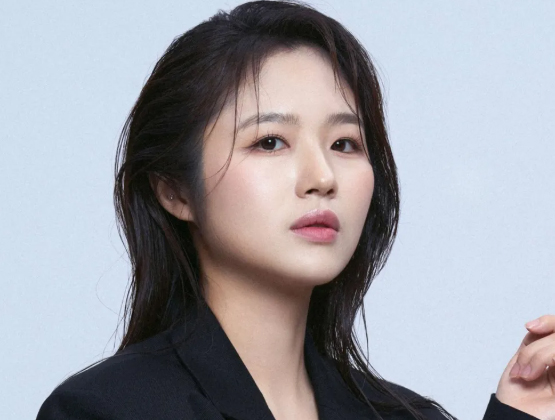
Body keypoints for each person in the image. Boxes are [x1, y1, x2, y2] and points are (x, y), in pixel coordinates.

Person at [36, 1, 552, 419]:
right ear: (176, 191)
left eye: (345, 144)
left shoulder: (405, 416)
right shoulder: (105, 410)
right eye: (269, 142)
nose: (322, 177)